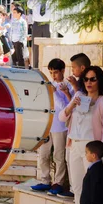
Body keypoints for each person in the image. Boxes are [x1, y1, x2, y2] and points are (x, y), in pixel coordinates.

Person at [59, 65, 103, 204]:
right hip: (74, 145)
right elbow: (62, 117)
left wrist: (99, 150)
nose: (88, 82)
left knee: (94, 189)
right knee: (77, 187)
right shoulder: (78, 96)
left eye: (92, 79)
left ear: (100, 81)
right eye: (86, 79)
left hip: (92, 149)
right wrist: (70, 107)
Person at [32, 58, 74, 195]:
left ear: (62, 70)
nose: (53, 75)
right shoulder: (48, 84)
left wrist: (54, 92)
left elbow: (66, 108)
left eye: (55, 72)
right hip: (47, 126)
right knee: (43, 154)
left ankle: (58, 183)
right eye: (51, 72)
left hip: (61, 127)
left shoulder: (69, 87)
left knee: (58, 156)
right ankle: (45, 180)